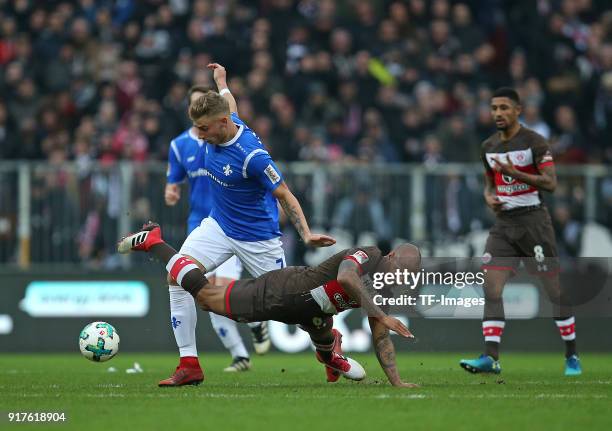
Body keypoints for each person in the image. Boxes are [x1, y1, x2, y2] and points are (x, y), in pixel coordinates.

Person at [158, 63, 336, 386]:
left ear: (222, 124)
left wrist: (306, 234)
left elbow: (284, 193)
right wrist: (222, 81)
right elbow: (231, 102)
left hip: (258, 239)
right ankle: (189, 364)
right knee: (177, 274)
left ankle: (329, 346)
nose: (198, 136)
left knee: (295, 310)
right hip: (219, 226)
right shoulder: (226, 121)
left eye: (203, 129)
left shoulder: (252, 156)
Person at [118, 222, 420, 387]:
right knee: (208, 298)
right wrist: (380, 314)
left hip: (313, 312)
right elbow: (346, 277)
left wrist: (397, 381)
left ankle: (329, 352)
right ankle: (155, 242)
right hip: (286, 292)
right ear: (391, 257)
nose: (401, 277)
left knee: (319, 323)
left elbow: (380, 336)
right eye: (401, 269)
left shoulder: (385, 290)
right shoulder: (370, 255)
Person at [460, 87, 582, 376]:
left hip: (534, 222)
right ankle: (491, 357)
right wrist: (489, 196)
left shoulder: (534, 142)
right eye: (494, 108)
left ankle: (572, 354)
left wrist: (516, 174)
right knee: (491, 287)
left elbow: (550, 183)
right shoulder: (488, 146)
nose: (498, 113)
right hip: (504, 225)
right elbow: (490, 183)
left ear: (518, 110)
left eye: (504, 107)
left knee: (553, 290)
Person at [164, 84, 254, 374]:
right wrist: (171, 192)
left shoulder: (224, 138)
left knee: (221, 291)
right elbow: (173, 180)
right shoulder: (179, 145)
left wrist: (224, 83)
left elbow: (235, 116)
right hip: (200, 225)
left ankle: (256, 321)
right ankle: (239, 355)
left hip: (231, 222)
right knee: (189, 286)